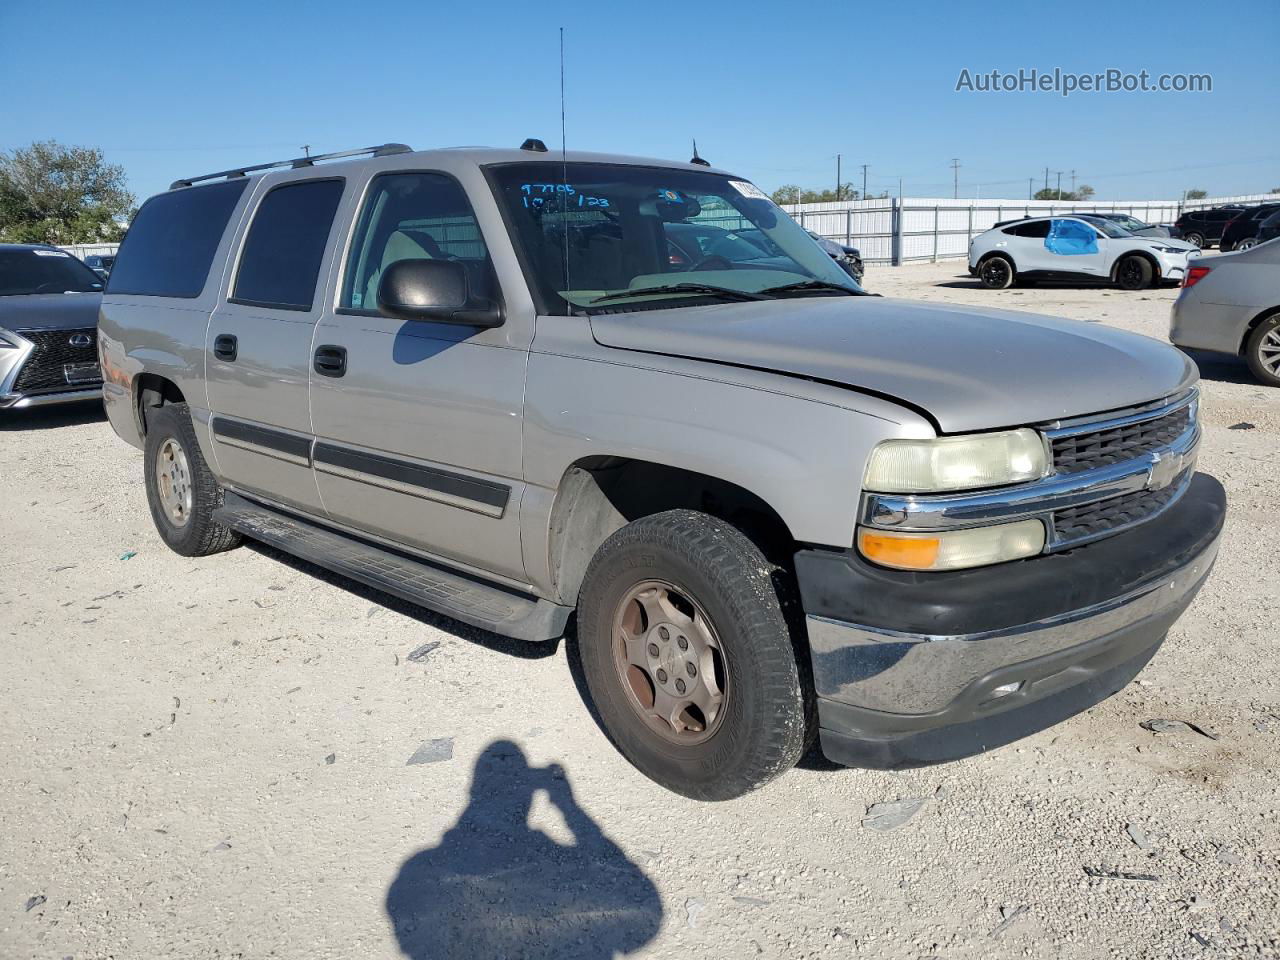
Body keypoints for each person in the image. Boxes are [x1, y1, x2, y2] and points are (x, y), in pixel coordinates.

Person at [386, 740, 662, 959]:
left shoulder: (420, 871)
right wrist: (567, 805)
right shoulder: (556, 864)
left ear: (473, 789)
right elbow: (641, 905)